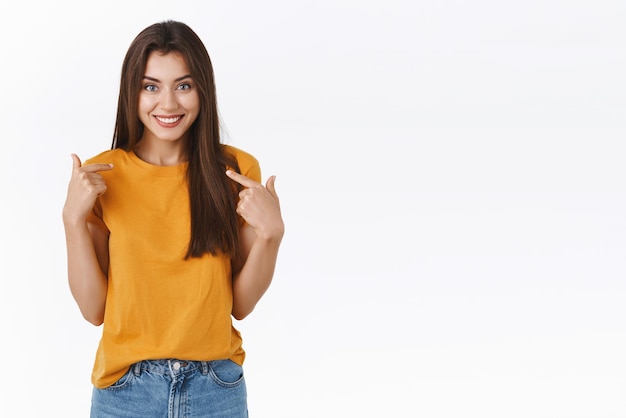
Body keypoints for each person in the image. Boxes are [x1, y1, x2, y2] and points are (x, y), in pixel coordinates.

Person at [62, 20, 284, 418]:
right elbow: (93, 309)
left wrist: (272, 235)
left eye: (183, 85)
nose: (168, 104)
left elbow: (241, 305)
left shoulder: (236, 170)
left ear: (203, 89)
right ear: (132, 92)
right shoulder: (100, 176)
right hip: (124, 393)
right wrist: (72, 220)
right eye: (151, 86)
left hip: (215, 389)